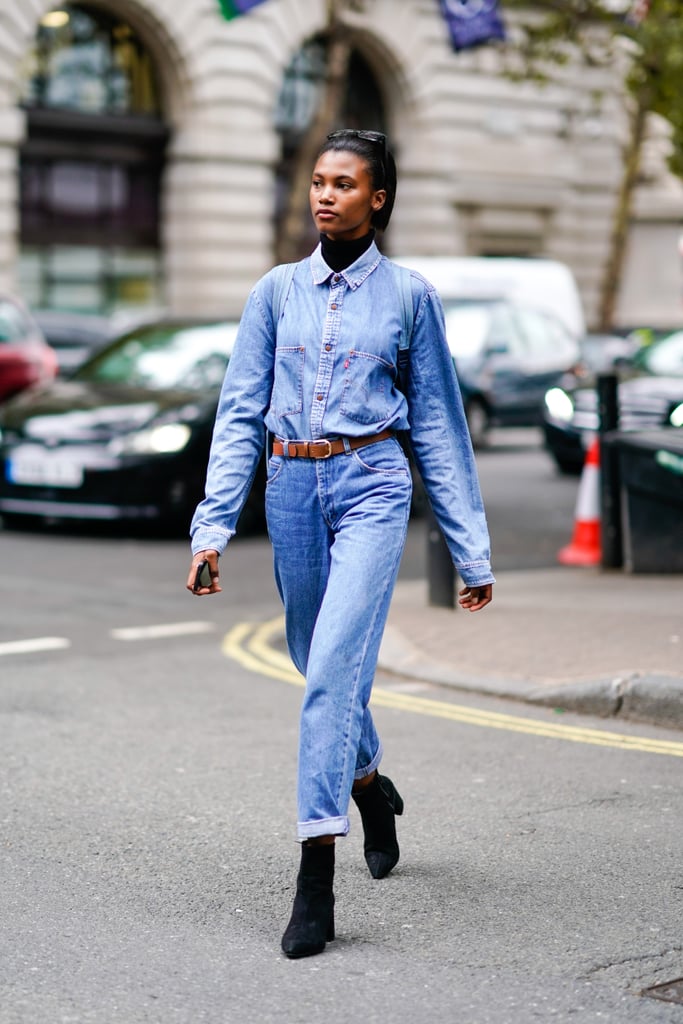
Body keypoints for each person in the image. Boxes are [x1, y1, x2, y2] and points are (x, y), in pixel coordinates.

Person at [186, 128, 494, 959]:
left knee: (328, 679)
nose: (325, 194)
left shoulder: (408, 297)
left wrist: (470, 548)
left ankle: (313, 879)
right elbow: (240, 411)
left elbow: (436, 425)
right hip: (289, 486)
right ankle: (368, 786)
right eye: (318, 181)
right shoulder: (275, 293)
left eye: (344, 183)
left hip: (371, 486)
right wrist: (213, 526)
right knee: (308, 656)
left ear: (377, 198)